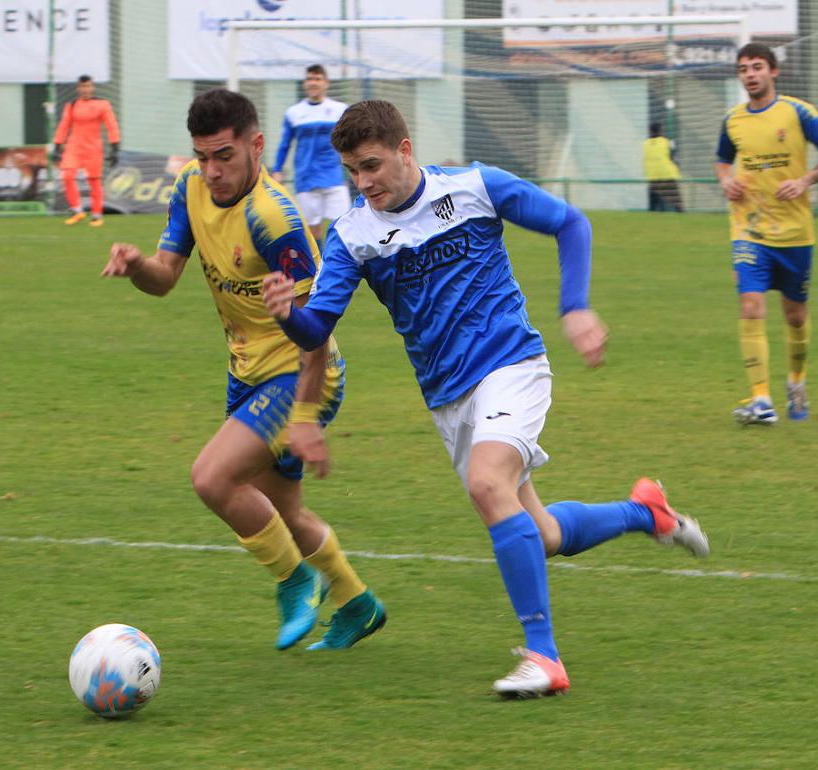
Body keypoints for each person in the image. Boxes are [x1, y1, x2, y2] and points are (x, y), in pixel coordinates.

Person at [261, 100, 709, 698]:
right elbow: (318, 329)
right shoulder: (353, 234)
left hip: (511, 366)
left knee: (486, 482)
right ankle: (646, 512)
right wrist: (289, 314)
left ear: (404, 150)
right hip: (448, 398)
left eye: (371, 166)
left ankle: (544, 657)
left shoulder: (474, 187)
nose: (363, 183)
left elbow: (571, 223)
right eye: (352, 172)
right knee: (542, 534)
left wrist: (575, 306)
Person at [100, 89, 385, 651]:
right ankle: (356, 603)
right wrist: (137, 267)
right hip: (248, 372)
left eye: (224, 156)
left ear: (256, 145)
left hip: (302, 374)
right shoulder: (190, 188)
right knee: (282, 510)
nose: (212, 171)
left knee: (211, 477)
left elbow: (317, 335)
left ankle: (295, 580)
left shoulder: (275, 220)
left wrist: (304, 418)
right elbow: (165, 276)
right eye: (202, 157)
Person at [715, 43, 818, 425]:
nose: (750, 74)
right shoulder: (732, 120)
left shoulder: (799, 112)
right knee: (750, 305)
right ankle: (761, 400)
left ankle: (797, 382)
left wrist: (806, 180)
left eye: (757, 67)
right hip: (749, 229)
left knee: (795, 316)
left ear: (773, 72)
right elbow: (723, 160)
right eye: (743, 69)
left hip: (795, 233)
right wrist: (726, 181)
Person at [272, 64, 350, 244]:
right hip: (306, 178)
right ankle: (321, 268)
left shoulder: (340, 109)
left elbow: (351, 140)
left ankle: (340, 265)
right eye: (309, 79)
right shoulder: (294, 113)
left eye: (317, 79)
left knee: (344, 226)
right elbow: (285, 144)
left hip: (334, 177)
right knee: (313, 230)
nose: (313, 83)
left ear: (326, 83)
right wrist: (277, 169)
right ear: (305, 84)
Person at [53, 74, 121, 227]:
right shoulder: (72, 105)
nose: (85, 89)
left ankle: (97, 215)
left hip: (93, 148)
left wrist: (115, 147)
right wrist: (57, 145)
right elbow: (64, 126)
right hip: (73, 146)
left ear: (92, 87)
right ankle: (78, 210)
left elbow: (111, 125)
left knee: (94, 181)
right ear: (78, 88)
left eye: (88, 86)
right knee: (67, 175)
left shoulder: (102, 104)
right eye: (83, 87)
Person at [643, 121, 684, 212]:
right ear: (661, 131)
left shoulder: (645, 144)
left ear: (650, 131)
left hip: (653, 177)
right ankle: (681, 215)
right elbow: (674, 158)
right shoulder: (667, 142)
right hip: (668, 176)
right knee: (677, 203)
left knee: (653, 205)